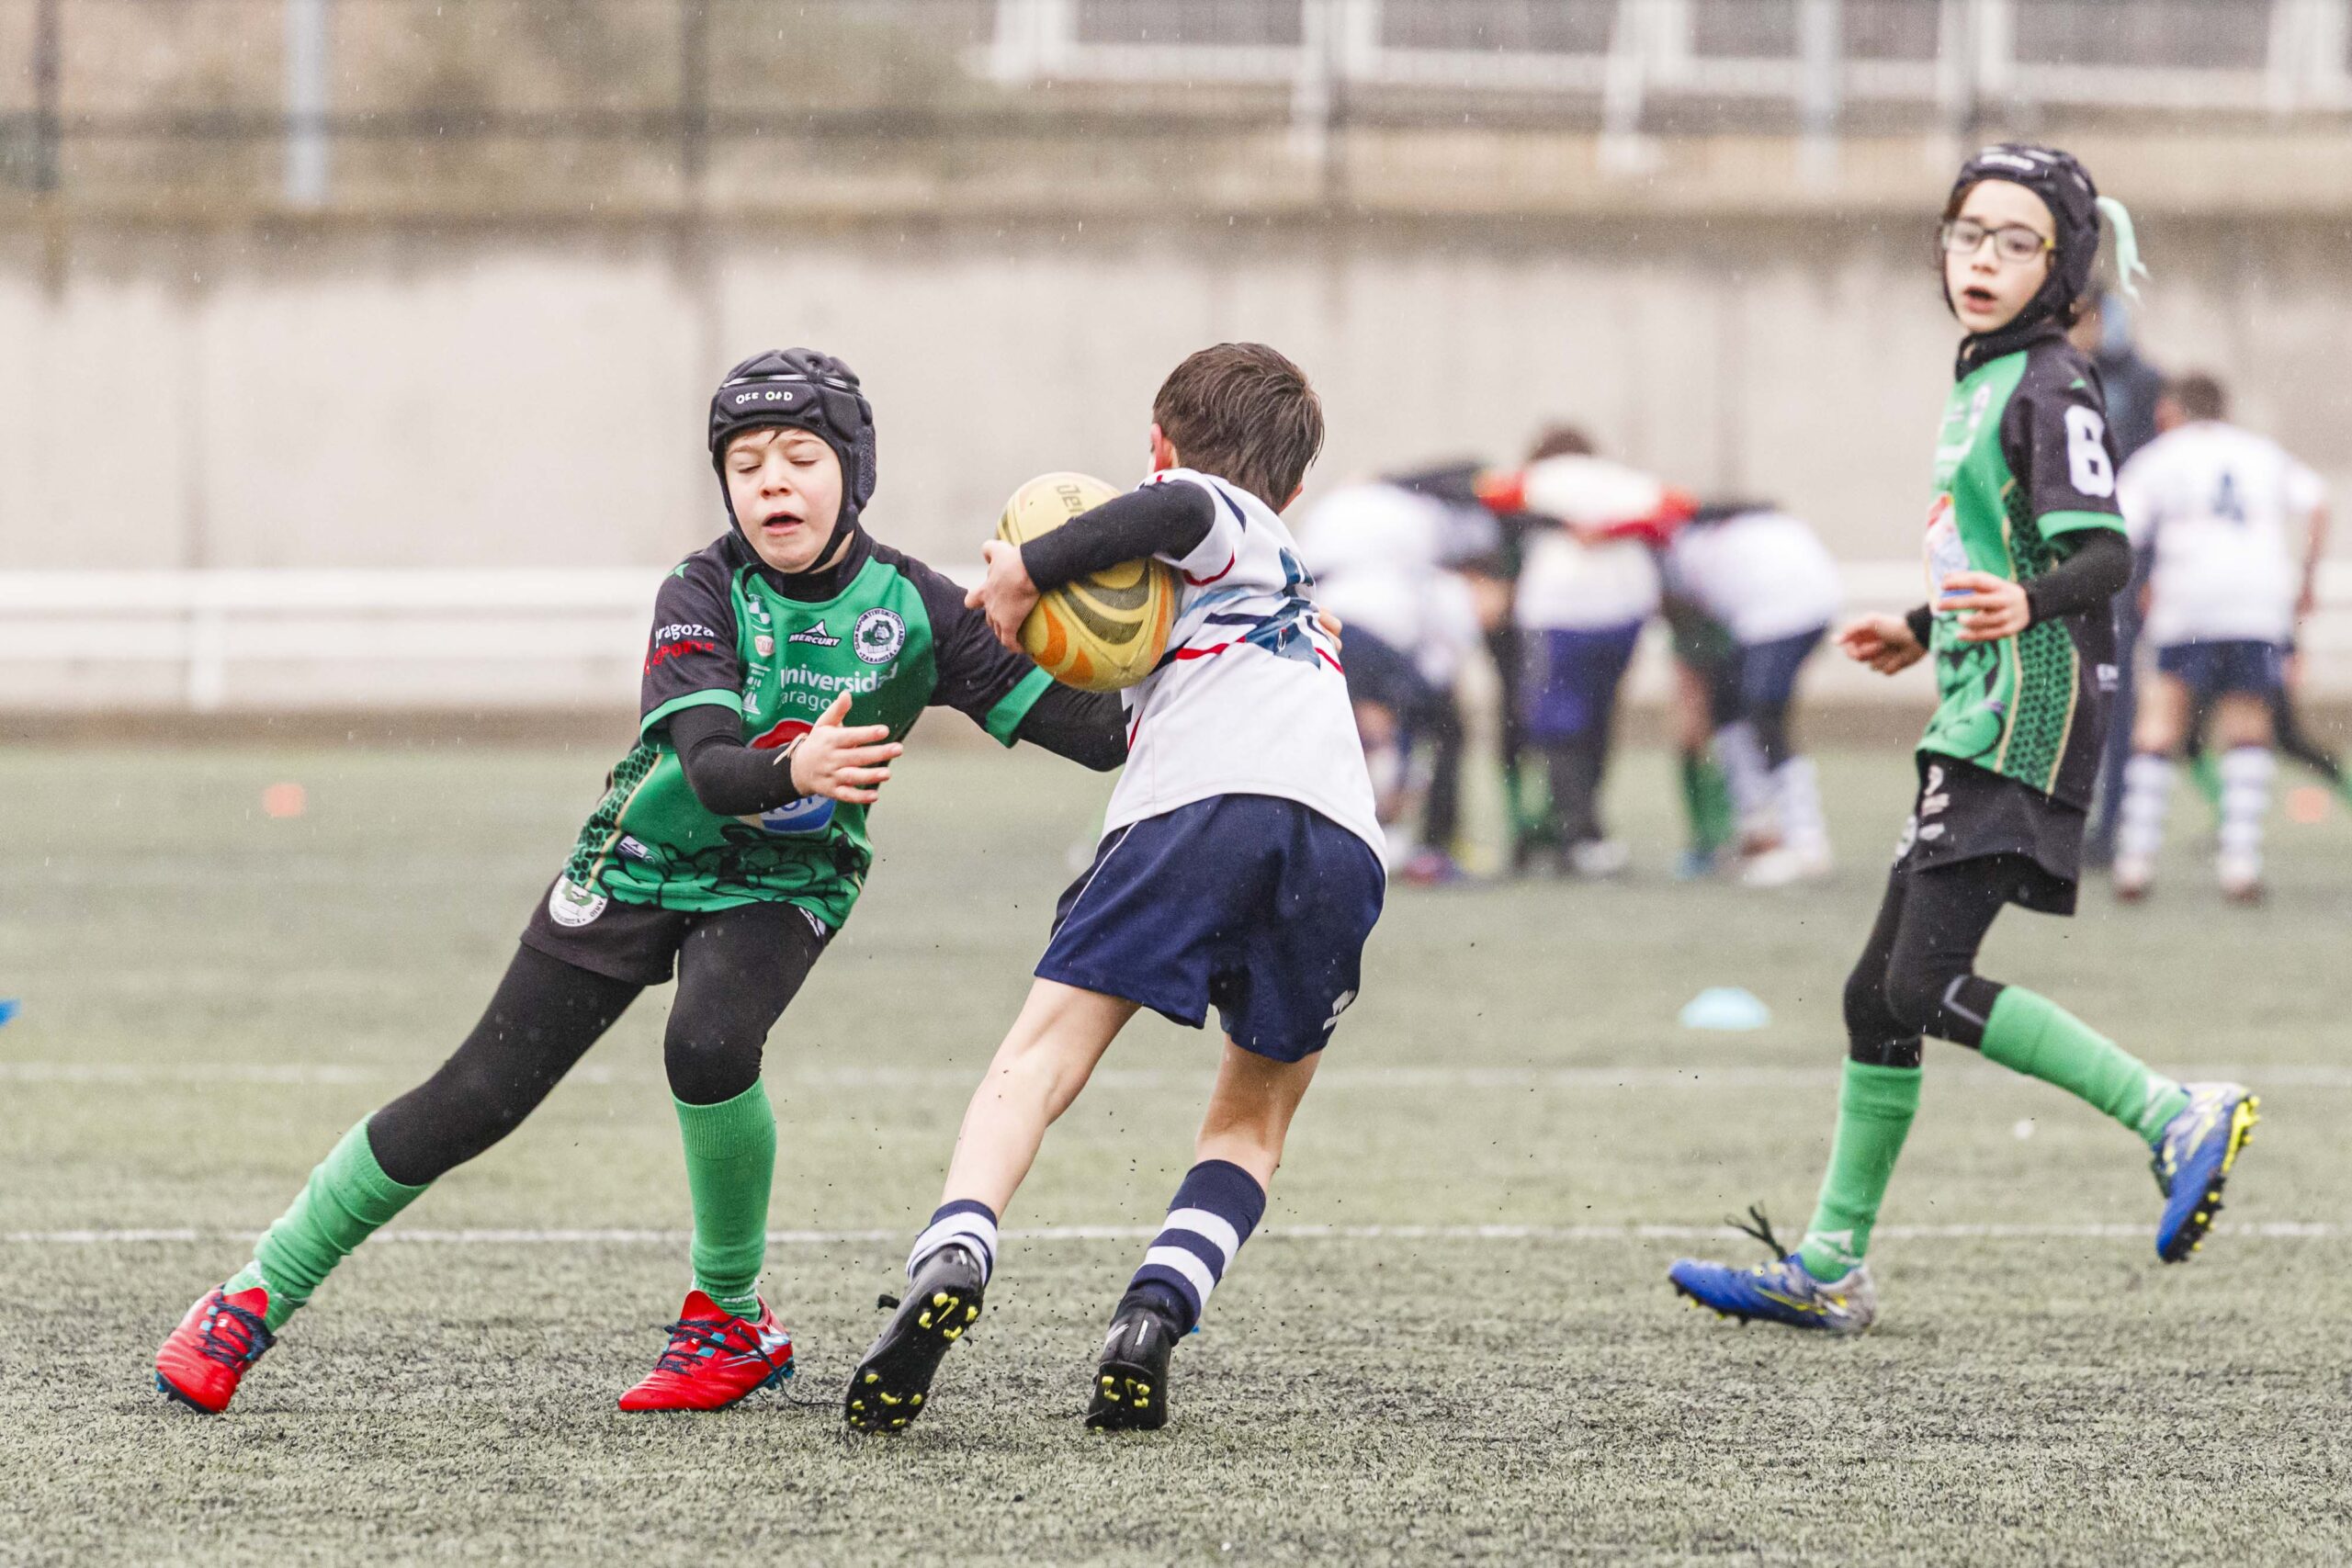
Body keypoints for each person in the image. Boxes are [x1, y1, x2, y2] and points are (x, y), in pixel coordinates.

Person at [151, 350, 1127, 1416]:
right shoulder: (700, 588)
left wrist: (1182, 652)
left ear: (854, 471)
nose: (772, 483)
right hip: (643, 857)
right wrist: (794, 768)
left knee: (708, 1043)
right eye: (745, 464)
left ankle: (728, 1320)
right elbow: (710, 769)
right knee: (476, 1096)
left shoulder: (921, 608)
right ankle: (249, 1297)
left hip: (786, 877)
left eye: (802, 457)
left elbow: (1090, 735)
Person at [1665, 145, 2258, 1335]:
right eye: (1967, 233)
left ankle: (2173, 1108)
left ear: (2062, 268)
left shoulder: (2050, 379)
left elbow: (2102, 554)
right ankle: (1831, 1261)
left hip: (2028, 715)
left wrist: (2013, 612)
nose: (1984, 258)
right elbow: (2011, 554)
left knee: (1919, 981)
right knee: (1875, 996)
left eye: (2016, 241)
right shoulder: (1985, 376)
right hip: (1980, 701)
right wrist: (1929, 623)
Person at [842, 343, 1381, 1433]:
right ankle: (1154, 1311)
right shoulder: (1263, 598)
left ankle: (956, 1248)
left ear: (1157, 445)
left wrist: (1024, 570)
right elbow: (1105, 725)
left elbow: (1175, 510)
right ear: (1300, 487)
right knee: (1251, 1124)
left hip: (1197, 810)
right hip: (1341, 841)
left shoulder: (1207, 510)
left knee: (1038, 1059)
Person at [2111, 372, 2332, 901]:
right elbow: (2318, 503)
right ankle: (2240, 863)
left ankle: (2135, 861)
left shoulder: (2160, 455)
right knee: (2248, 724)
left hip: (2188, 600)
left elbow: (2121, 527)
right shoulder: (2260, 451)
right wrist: (2305, 581)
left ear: (2172, 411)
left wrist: (2139, 586)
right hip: (2257, 602)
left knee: (2161, 718)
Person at [1490, 441, 1689, 876]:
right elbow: (1678, 508)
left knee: (1558, 725)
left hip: (1560, 612)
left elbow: (1491, 494)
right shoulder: (1625, 481)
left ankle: (1578, 835)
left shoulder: (1546, 476)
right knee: (1598, 719)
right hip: (1624, 613)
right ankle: (1582, 829)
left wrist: (1556, 521)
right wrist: (1615, 529)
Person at [1296, 466, 1491, 883]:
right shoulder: (1433, 545)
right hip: (1374, 631)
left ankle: (1340, 835)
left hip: (1323, 620)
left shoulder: (1345, 508)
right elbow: (1440, 673)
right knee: (1422, 731)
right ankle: (1407, 838)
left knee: (1353, 737)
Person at [1663, 502, 1843, 886]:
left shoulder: (1680, 549)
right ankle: (1758, 829)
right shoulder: (1738, 530)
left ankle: (1804, 840)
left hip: (1779, 614)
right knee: (1730, 710)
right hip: (1794, 608)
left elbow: (1685, 619)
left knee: (1763, 718)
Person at [2075, 290, 2167, 867]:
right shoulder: (2058, 378)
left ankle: (2112, 829)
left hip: (2119, 560)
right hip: (2066, 555)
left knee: (2114, 692)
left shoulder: (2144, 380)